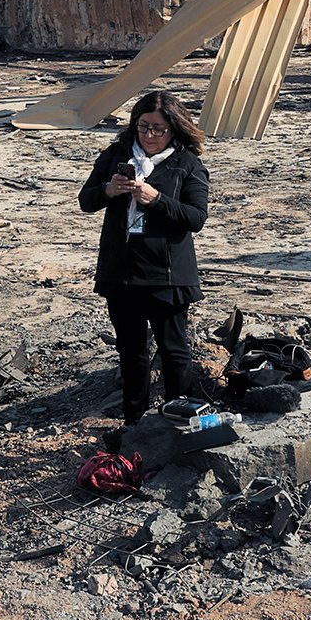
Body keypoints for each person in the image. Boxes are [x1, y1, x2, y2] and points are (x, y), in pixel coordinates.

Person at [77, 90, 212, 425]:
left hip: (166, 274)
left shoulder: (187, 164)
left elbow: (195, 217)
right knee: (131, 352)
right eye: (143, 127)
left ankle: (180, 417)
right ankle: (134, 420)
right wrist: (108, 190)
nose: (149, 136)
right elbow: (86, 200)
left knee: (173, 350)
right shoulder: (115, 155)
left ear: (175, 129)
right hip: (121, 272)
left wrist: (158, 199)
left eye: (158, 129)